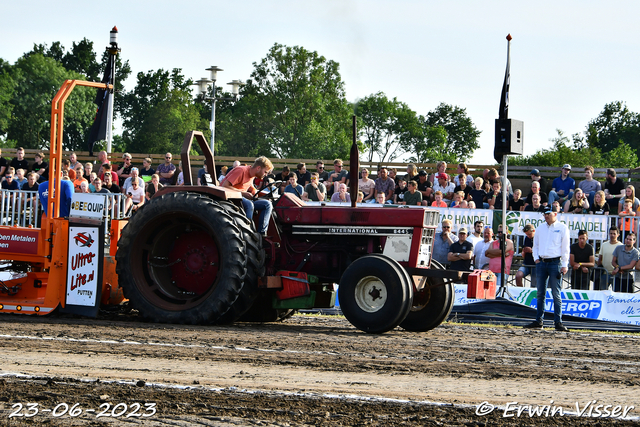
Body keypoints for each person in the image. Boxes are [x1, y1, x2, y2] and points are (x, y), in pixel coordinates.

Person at [526, 206, 570, 332]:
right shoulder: (540, 228)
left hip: (555, 262)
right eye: (545, 214)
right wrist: (536, 259)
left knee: (556, 294)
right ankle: (539, 320)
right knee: (540, 293)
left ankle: (558, 322)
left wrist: (564, 264)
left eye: (548, 213)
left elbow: (565, 248)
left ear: (555, 214)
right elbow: (536, 245)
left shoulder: (562, 228)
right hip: (542, 262)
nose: (546, 216)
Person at [220, 156, 274, 235]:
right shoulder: (241, 170)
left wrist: (254, 191)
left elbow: (251, 187)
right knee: (249, 204)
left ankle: (261, 233)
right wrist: (243, 193)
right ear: (258, 168)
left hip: (241, 199)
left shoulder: (252, 175)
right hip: (230, 199)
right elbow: (224, 186)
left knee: (267, 204)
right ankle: (247, 233)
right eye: (265, 172)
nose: (266, 175)